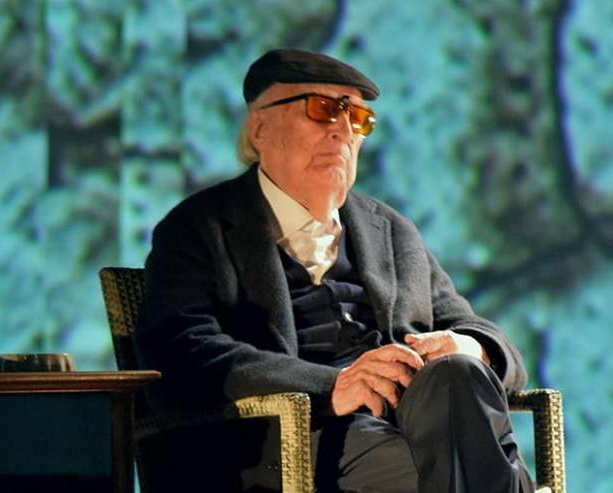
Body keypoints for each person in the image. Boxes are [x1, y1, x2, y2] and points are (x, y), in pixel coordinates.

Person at [135, 48, 534, 493]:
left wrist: (471, 346)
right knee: (458, 468)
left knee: (457, 375)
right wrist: (333, 386)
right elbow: (181, 352)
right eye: (323, 109)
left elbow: (483, 336)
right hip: (293, 439)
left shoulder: (392, 231)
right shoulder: (199, 227)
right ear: (260, 128)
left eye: (358, 118)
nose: (343, 130)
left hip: (415, 424)